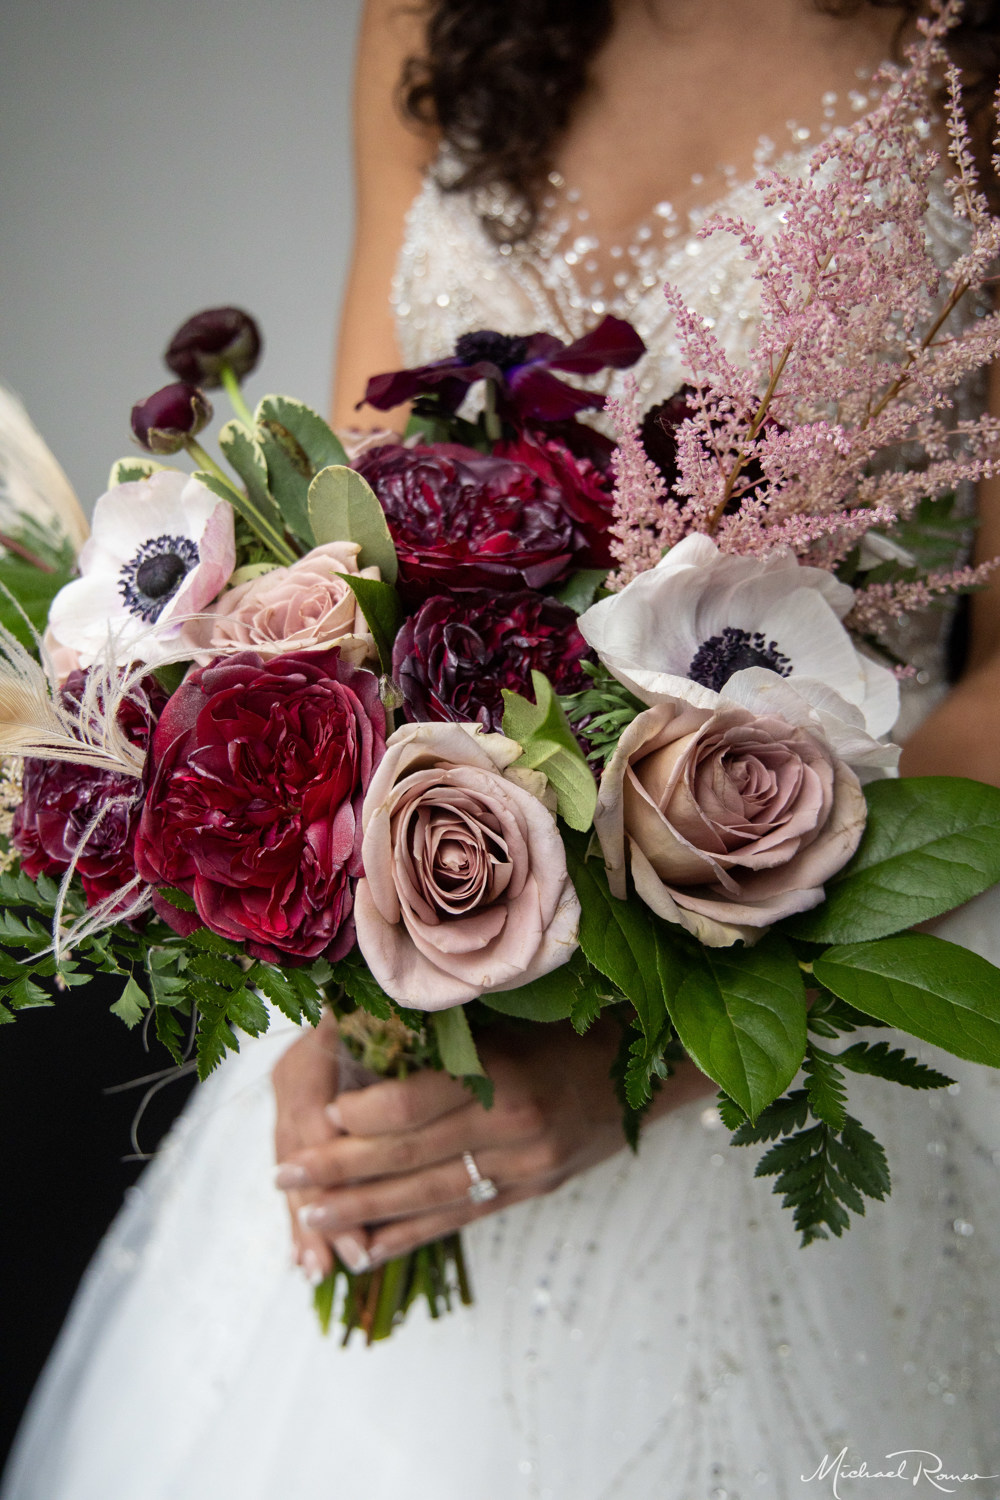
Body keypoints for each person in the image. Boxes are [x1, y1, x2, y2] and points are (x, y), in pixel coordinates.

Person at [4, 2, 1000, 1496]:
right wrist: (317, 985)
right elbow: (335, 558)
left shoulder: (973, 60)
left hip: (807, 939)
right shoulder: (434, 16)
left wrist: (644, 1068)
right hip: (421, 974)